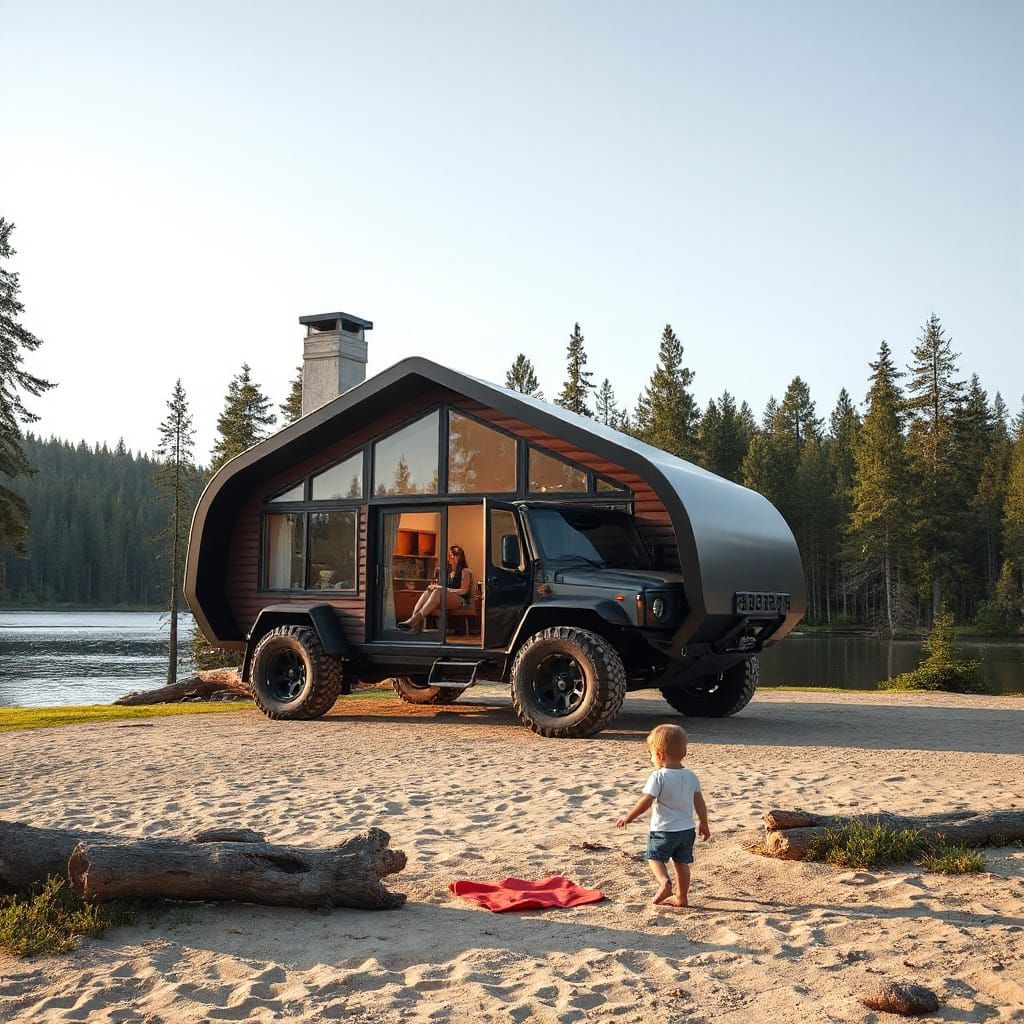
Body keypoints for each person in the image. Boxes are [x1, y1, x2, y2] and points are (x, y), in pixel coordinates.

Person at [615, 723, 710, 907]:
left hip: (663, 830)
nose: (651, 759)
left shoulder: (658, 776)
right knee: (681, 863)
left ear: (659, 755)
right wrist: (704, 823)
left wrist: (629, 816)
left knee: (654, 857)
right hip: (686, 830)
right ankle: (682, 898)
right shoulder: (691, 776)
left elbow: (646, 801)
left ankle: (664, 882)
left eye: (651, 754)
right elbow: (700, 802)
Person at [397, 544, 473, 633]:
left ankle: (414, 621)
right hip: (444, 597)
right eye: (451, 555)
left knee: (437, 591)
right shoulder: (447, 571)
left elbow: (464, 591)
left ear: (460, 557)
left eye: (454, 555)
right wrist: (434, 587)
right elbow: (439, 586)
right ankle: (414, 623)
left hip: (461, 601)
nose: (452, 557)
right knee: (427, 592)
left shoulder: (465, 571)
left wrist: (445, 589)